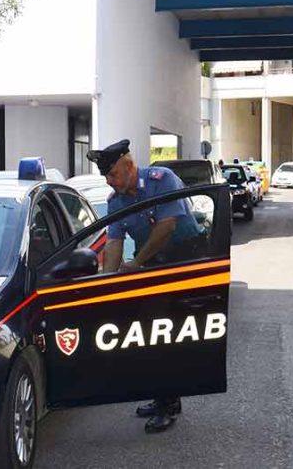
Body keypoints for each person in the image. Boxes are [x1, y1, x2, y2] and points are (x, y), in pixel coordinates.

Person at [87, 139, 204, 435]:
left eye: (112, 173)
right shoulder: (116, 201)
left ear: (128, 165)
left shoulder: (161, 180)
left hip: (184, 260)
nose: (109, 181)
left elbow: (167, 226)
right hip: (151, 267)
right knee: (152, 336)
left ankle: (167, 403)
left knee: (168, 335)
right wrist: (107, 284)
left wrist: (137, 262)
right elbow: (113, 243)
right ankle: (164, 397)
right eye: (106, 176)